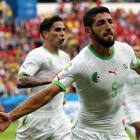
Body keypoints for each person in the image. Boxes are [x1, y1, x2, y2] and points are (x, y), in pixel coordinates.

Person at [0, 6, 140, 140]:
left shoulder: (125, 51)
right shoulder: (80, 63)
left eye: (110, 21)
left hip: (117, 132)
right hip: (86, 134)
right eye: (100, 23)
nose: (108, 27)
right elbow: (48, 93)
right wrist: (11, 116)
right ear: (88, 32)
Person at [1, 15, 71, 140]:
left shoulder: (65, 57)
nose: (62, 33)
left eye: (63, 30)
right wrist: (50, 79)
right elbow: (21, 80)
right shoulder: (37, 54)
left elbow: (61, 83)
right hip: (36, 119)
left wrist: (62, 96)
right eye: (57, 30)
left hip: (59, 118)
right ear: (45, 34)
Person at [123, 44, 140, 140]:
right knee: (138, 125)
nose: (135, 53)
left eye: (137, 50)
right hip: (129, 102)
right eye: (133, 50)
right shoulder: (124, 66)